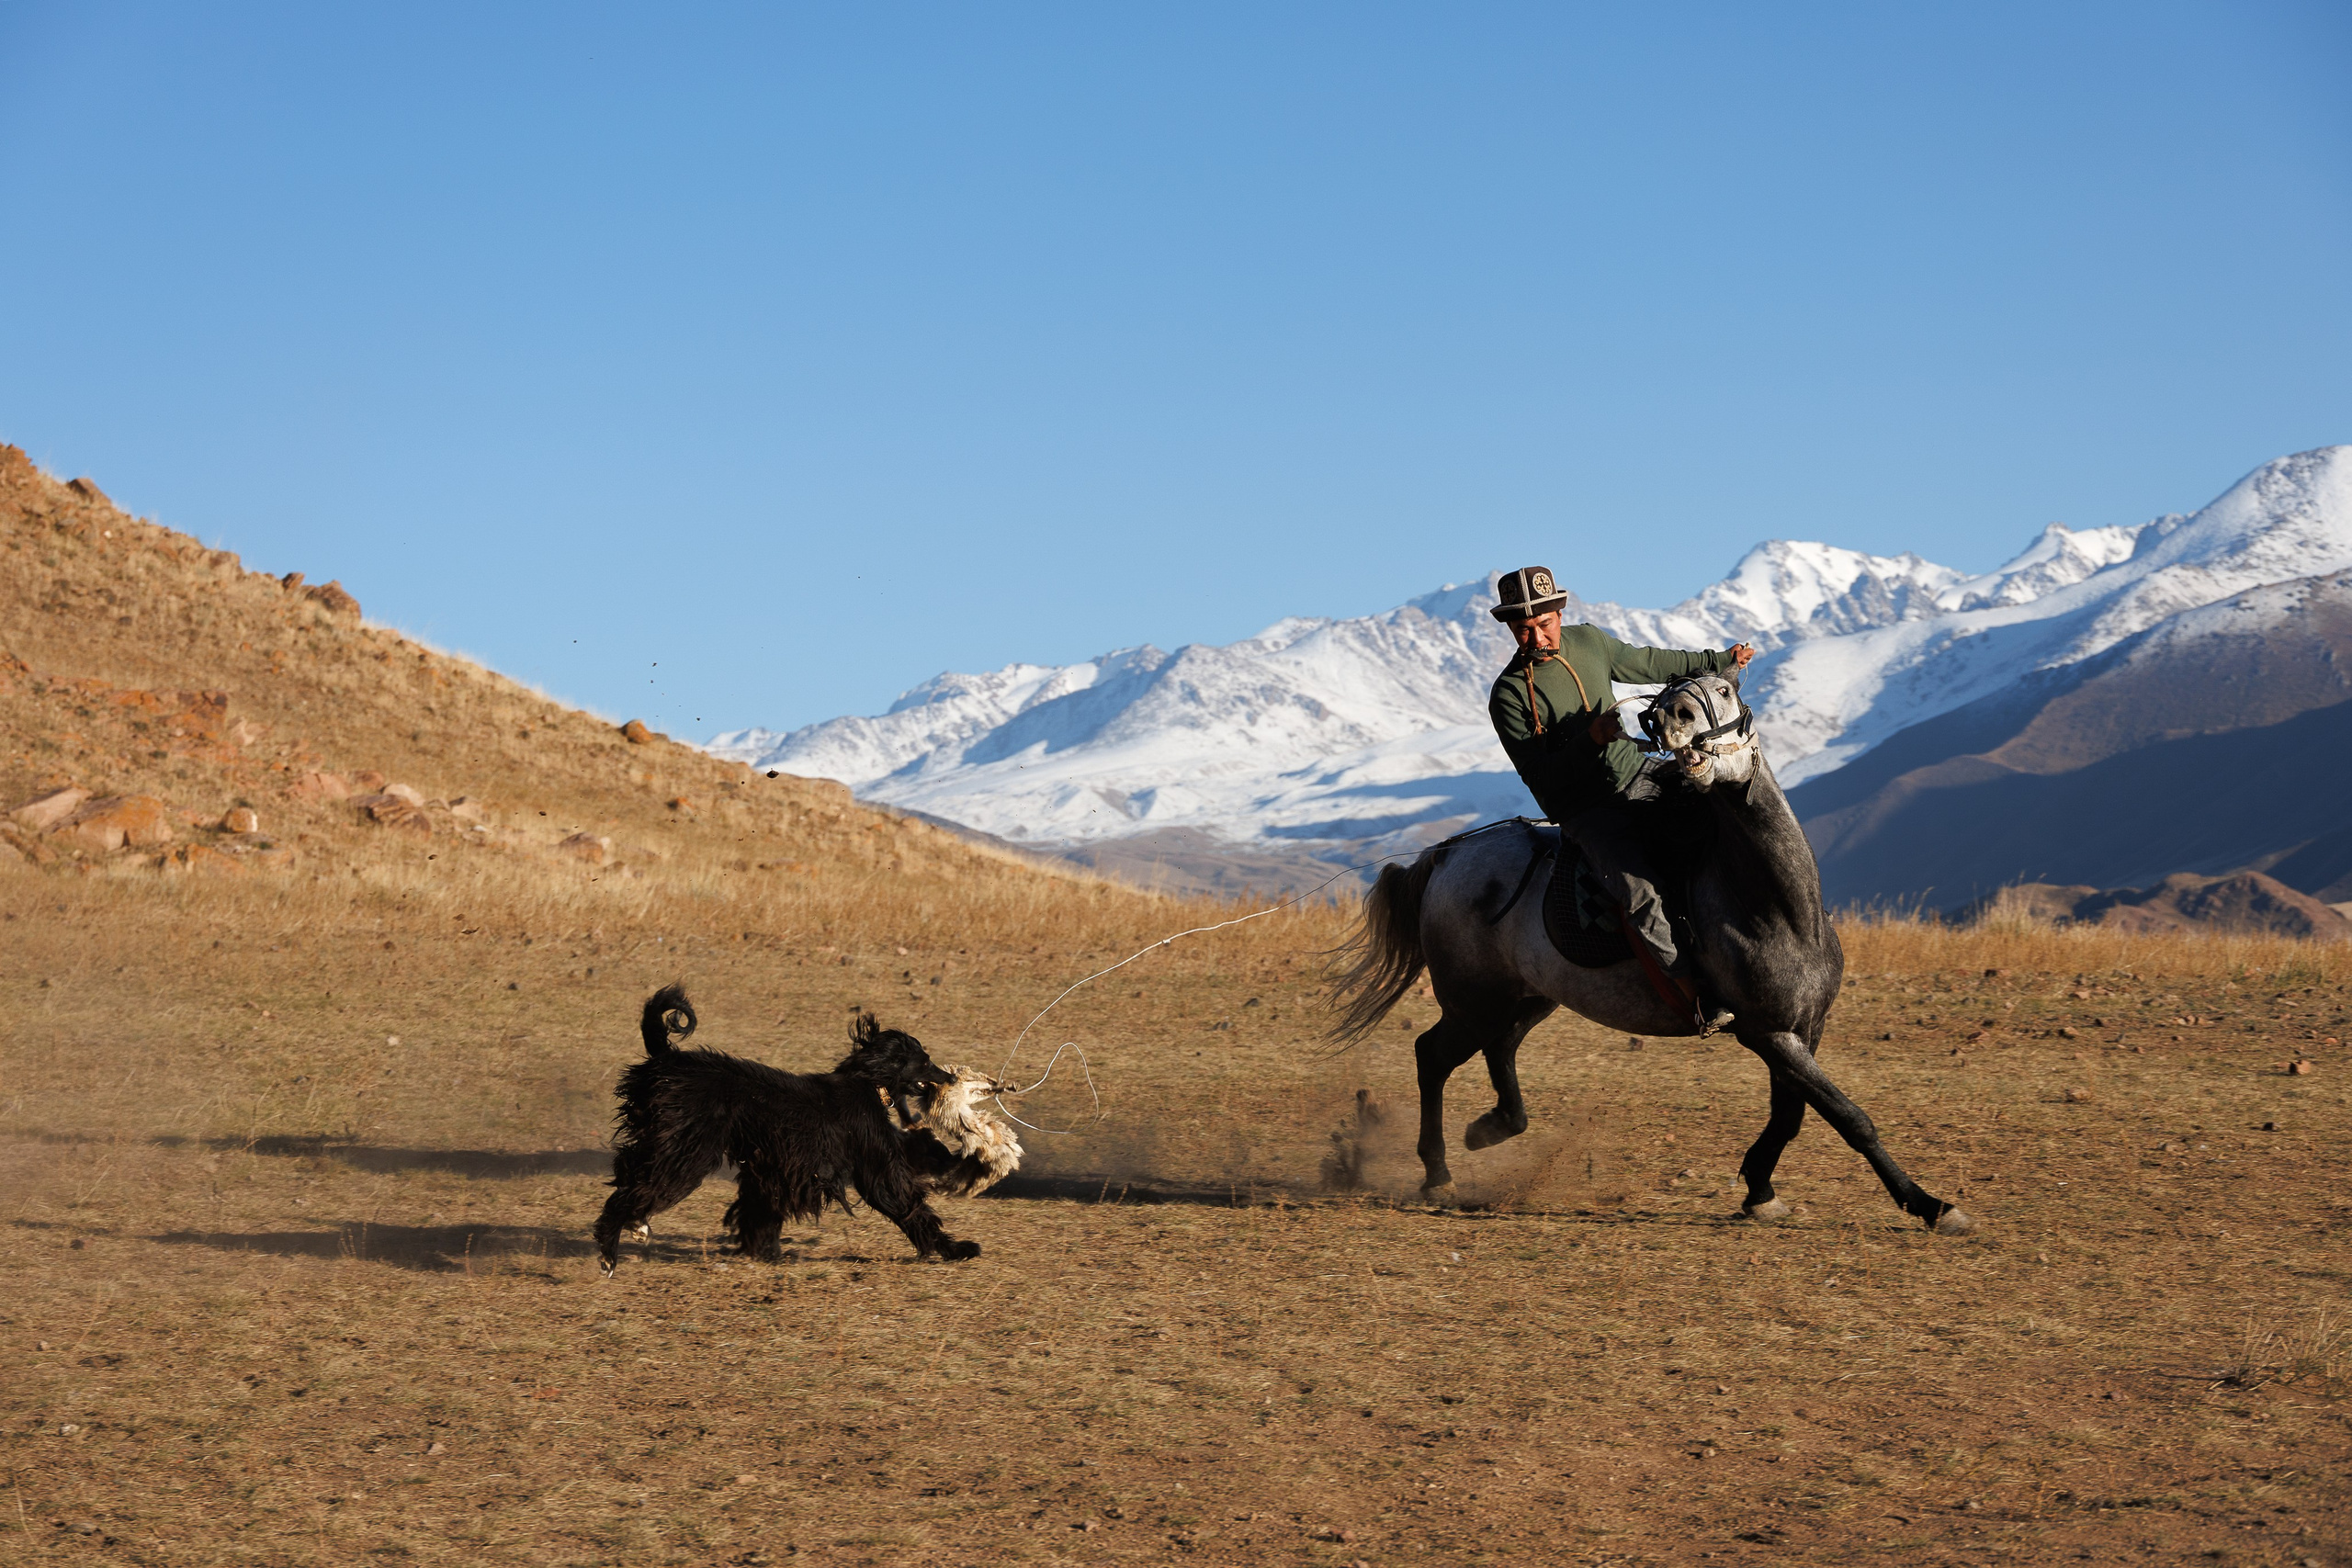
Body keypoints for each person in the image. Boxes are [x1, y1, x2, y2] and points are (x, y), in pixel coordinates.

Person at [1486, 565, 1756, 1020]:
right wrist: (1590, 740)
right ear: (1511, 628)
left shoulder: (1589, 642)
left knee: (1725, 815)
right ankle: (1696, 997)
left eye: (1544, 625)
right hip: (1584, 810)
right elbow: (1542, 778)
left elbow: (1650, 663)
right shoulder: (1509, 695)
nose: (1536, 639)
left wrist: (1716, 660)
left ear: (1560, 611)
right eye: (1523, 630)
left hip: (1640, 772)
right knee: (1640, 891)